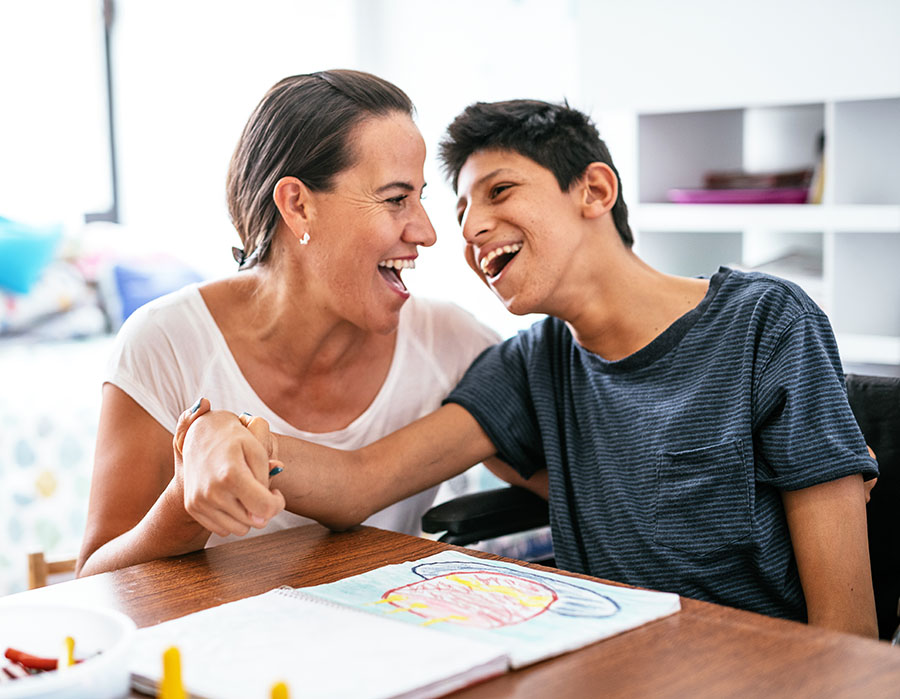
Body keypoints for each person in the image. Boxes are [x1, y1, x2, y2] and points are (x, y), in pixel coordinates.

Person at [178, 98, 878, 637]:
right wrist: (227, 435)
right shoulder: (533, 362)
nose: (468, 229)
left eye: (499, 191)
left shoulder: (766, 323)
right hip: (608, 665)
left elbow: (846, 632)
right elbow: (360, 480)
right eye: (461, 210)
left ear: (594, 191)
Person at [75, 70, 501, 577]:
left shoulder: (450, 341)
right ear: (298, 205)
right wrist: (186, 499)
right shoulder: (164, 344)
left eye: (420, 197)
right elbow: (94, 582)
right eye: (395, 199)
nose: (427, 232)